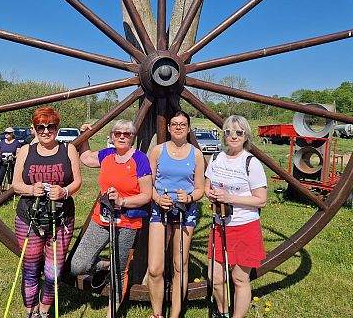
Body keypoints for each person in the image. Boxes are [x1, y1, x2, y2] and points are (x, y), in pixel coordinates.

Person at [71, 119, 152, 317]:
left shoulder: (140, 159)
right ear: (111, 136)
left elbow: (146, 195)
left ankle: (111, 312)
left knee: (119, 272)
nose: (122, 137)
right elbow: (87, 158)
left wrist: (122, 202)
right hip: (101, 219)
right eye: (118, 133)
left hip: (127, 222)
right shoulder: (108, 154)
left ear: (133, 138)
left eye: (127, 134)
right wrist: (86, 135)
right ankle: (103, 264)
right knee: (77, 266)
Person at [11, 107, 82, 318]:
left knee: (53, 271)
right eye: (40, 127)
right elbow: (16, 185)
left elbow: (77, 181)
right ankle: (31, 312)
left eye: (50, 126)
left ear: (57, 128)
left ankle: (44, 311)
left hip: (61, 217)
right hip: (29, 217)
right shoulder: (25, 151)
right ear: (33, 129)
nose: (45, 131)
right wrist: (31, 190)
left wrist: (65, 191)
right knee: (31, 268)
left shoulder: (68, 149)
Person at [206, 115, 267, 318]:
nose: (233, 136)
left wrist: (229, 197)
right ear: (223, 136)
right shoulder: (216, 158)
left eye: (239, 132)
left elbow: (261, 200)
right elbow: (207, 187)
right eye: (229, 132)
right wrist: (211, 194)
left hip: (244, 226)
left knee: (240, 278)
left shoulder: (251, 163)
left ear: (246, 136)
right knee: (215, 277)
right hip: (219, 224)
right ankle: (222, 312)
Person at [147, 110, 205, 318]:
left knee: (180, 265)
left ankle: (175, 313)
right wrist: (157, 198)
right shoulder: (158, 151)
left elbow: (200, 188)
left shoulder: (196, 154)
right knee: (155, 267)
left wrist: (189, 198)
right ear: (169, 128)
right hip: (159, 210)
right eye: (174, 124)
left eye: (182, 124)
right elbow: (148, 184)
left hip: (185, 211)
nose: (178, 127)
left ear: (188, 128)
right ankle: (157, 313)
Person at [0, 127, 22, 195]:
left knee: (10, 179)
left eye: (8, 133)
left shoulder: (16, 143)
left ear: (12, 134)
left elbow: (18, 154)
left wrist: (13, 157)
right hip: (2, 163)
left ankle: (8, 194)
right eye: (5, 133)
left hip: (11, 163)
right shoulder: (2, 142)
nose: (6, 134)